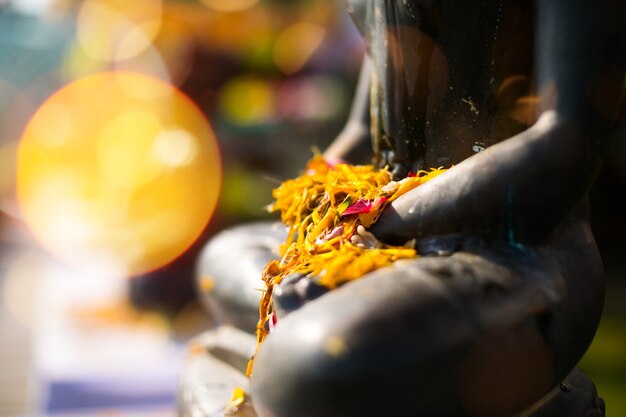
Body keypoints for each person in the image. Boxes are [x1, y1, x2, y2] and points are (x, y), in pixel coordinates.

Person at [182, 1, 625, 416]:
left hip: (511, 249)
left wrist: (373, 224)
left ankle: (322, 319)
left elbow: (563, 141)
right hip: (372, 226)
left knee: (311, 362)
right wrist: (315, 224)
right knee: (224, 257)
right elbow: (361, 133)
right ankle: (324, 304)